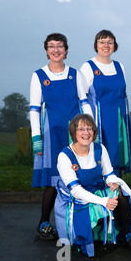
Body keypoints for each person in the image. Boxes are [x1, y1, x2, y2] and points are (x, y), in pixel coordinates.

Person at [29, 33, 93, 240]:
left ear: (66, 50)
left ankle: (82, 223)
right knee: (53, 180)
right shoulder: (38, 75)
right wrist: (36, 137)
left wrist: (90, 129)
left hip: (77, 133)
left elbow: (84, 102)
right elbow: (34, 110)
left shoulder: (76, 74)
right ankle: (44, 222)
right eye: (51, 46)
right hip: (52, 133)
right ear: (46, 50)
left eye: (60, 46)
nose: (56, 50)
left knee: (80, 177)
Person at [55, 114, 131, 257]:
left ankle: (127, 234)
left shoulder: (100, 149)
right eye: (81, 129)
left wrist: (112, 181)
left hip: (97, 190)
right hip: (75, 200)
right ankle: (94, 230)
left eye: (90, 129)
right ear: (73, 133)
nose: (86, 133)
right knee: (96, 210)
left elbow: (108, 174)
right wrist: (103, 201)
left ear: (94, 132)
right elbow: (75, 190)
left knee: (120, 192)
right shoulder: (64, 156)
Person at [80, 30, 131, 177]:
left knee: (116, 158)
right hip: (99, 120)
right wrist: (89, 124)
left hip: (119, 119)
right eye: (102, 42)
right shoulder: (88, 67)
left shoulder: (119, 66)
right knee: (101, 158)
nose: (106, 45)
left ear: (114, 45)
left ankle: (116, 194)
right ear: (96, 45)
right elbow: (82, 98)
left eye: (110, 42)